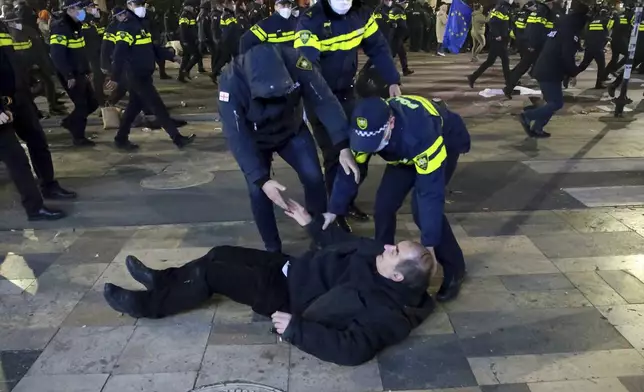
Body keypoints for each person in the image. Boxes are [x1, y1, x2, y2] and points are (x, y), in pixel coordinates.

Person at [103, 198, 436, 366]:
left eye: (395, 252)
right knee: (220, 251)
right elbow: (337, 242)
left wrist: (295, 329)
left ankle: (146, 306)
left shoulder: (387, 312)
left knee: (213, 273)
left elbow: (353, 350)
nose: (388, 246)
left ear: (395, 276)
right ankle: (163, 281)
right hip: (291, 268)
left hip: (287, 297)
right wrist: (310, 223)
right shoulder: (378, 256)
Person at [217, 44, 359, 254]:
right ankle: (272, 248)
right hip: (255, 140)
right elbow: (236, 136)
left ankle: (319, 233)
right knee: (259, 193)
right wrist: (261, 178)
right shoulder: (230, 81)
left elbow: (324, 99)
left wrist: (342, 145)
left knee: (313, 178)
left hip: (291, 130)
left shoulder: (297, 62)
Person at [327, 95, 470, 302]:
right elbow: (352, 169)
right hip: (401, 152)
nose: (367, 147)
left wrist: (429, 243)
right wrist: (334, 208)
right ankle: (383, 263)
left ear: (391, 124)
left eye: (372, 143)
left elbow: (430, 193)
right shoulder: (366, 129)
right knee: (384, 206)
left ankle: (455, 269)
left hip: (442, 142)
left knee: (422, 212)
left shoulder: (421, 133)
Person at [294, 0, 402, 232]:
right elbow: (309, 73)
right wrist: (339, 137)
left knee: (360, 148)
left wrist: (392, 80)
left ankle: (345, 199)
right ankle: (335, 211)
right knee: (336, 154)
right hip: (319, 98)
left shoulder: (361, 15)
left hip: (347, 93)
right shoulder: (311, 21)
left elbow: (378, 47)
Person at [0, 20, 67, 221]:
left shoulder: (4, 27)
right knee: (17, 159)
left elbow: (10, 60)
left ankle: (49, 185)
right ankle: (34, 208)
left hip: (18, 98)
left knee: (37, 140)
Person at [108, 0, 196, 150]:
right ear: (129, 6)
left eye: (141, 4)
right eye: (137, 5)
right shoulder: (126, 26)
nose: (141, 8)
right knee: (158, 107)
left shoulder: (140, 24)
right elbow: (119, 53)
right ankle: (177, 138)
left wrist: (171, 56)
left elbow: (152, 47)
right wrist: (115, 78)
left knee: (132, 109)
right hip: (136, 75)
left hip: (143, 74)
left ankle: (120, 138)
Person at [517, 3, 588, 138]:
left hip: (545, 68)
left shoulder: (560, 27)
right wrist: (573, 73)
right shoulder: (570, 33)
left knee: (551, 102)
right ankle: (527, 116)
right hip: (550, 72)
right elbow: (567, 55)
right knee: (556, 103)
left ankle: (537, 128)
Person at [49, 0, 98, 146]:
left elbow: (80, 51)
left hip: (81, 71)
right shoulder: (60, 27)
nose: (83, 11)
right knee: (82, 105)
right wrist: (68, 75)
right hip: (70, 74)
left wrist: (87, 69)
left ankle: (70, 122)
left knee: (93, 103)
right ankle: (79, 137)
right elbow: (57, 55)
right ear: (70, 9)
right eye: (80, 8)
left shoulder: (76, 26)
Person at [503, 0, 554, 98]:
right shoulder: (543, 11)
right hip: (534, 45)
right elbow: (535, 29)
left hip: (533, 44)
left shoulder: (540, 10)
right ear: (550, 3)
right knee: (524, 66)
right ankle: (509, 85)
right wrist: (532, 44)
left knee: (527, 65)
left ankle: (510, 84)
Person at [467, 0, 512, 88]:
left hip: (500, 39)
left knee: (491, 61)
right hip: (498, 40)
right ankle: (510, 82)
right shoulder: (501, 8)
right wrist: (497, 35)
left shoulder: (504, 7)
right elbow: (492, 22)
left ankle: (473, 77)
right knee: (505, 61)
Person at [576, 7, 609, 89]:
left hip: (589, 46)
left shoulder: (592, 21)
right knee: (601, 66)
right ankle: (599, 84)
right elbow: (605, 35)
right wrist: (605, 42)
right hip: (598, 48)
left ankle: (569, 75)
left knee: (583, 65)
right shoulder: (605, 21)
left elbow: (586, 33)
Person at [82, 0, 107, 107]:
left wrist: (99, 20)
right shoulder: (83, 21)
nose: (94, 8)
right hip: (89, 53)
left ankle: (98, 96)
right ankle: (99, 100)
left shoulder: (94, 20)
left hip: (99, 51)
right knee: (97, 76)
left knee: (101, 76)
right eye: (91, 6)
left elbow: (101, 33)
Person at [178, 0, 201, 82]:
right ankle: (185, 71)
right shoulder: (184, 15)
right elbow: (183, 29)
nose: (193, 8)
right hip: (187, 41)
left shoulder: (190, 15)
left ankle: (182, 75)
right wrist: (184, 41)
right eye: (192, 6)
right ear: (187, 7)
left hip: (190, 40)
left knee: (186, 57)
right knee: (196, 55)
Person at [388, 0, 413, 75]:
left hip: (398, 36)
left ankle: (405, 69)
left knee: (402, 54)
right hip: (396, 36)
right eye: (405, 3)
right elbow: (399, 24)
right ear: (401, 3)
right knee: (392, 55)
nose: (406, 4)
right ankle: (389, 72)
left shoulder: (398, 10)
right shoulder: (397, 11)